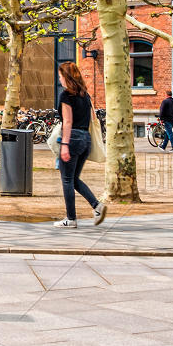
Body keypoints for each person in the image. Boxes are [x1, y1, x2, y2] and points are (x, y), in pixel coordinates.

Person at [52, 62, 105, 228]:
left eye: (60, 76)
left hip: (72, 139)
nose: (59, 79)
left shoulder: (66, 95)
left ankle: (71, 219)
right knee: (74, 179)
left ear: (66, 77)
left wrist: (65, 144)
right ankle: (97, 206)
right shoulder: (85, 95)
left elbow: (67, 121)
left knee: (67, 180)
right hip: (85, 139)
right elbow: (92, 119)